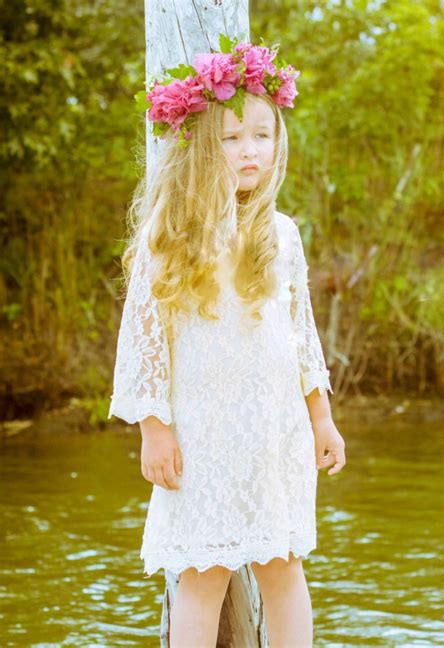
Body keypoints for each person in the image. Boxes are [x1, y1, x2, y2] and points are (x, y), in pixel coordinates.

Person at [108, 35, 346, 648]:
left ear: (278, 144)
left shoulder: (282, 234)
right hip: (203, 429)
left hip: (275, 428)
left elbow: (302, 336)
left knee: (283, 565)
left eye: (262, 136)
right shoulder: (172, 230)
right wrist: (153, 425)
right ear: (202, 146)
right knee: (203, 572)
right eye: (231, 137)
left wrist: (322, 418)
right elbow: (144, 334)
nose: (249, 151)